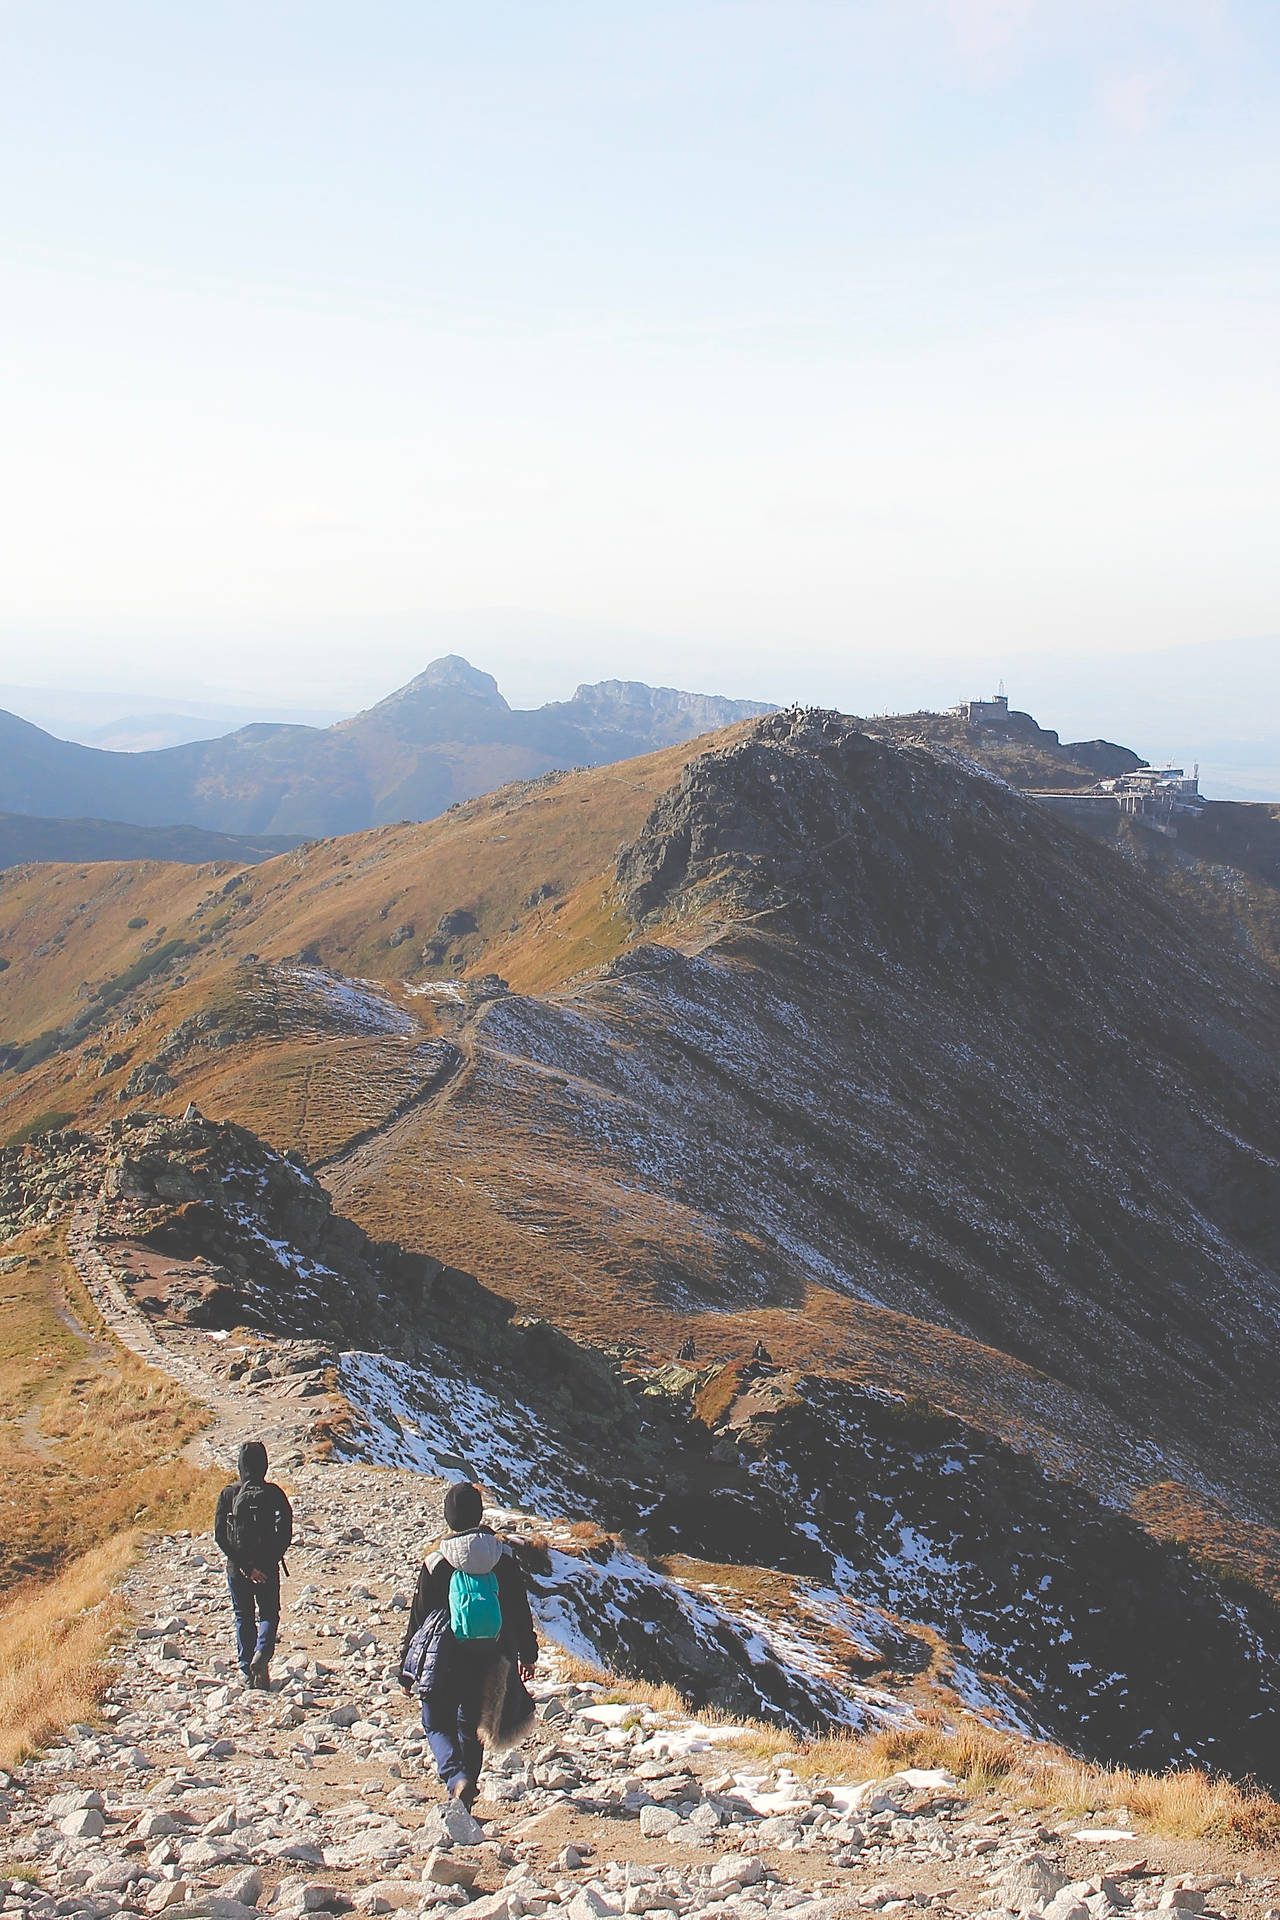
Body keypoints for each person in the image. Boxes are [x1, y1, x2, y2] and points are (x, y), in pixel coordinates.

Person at [400, 1482, 538, 1812]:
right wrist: (527, 1654)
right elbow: (519, 1608)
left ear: (449, 1517)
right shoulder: (502, 1556)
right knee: (471, 1725)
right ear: (479, 1514)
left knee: (435, 1722)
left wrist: (405, 1668)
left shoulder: (437, 1561)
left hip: (445, 1654)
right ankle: (468, 1796)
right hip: (493, 1652)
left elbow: (418, 1618)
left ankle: (455, 1777)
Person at [213, 1440, 293, 1690]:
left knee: (243, 1616)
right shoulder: (275, 1494)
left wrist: (245, 1567)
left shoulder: (229, 1494)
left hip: (238, 1569)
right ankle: (263, 1653)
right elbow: (286, 1532)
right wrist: (267, 1562)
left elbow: (219, 1535)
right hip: (268, 1567)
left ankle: (246, 1668)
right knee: (269, 1613)